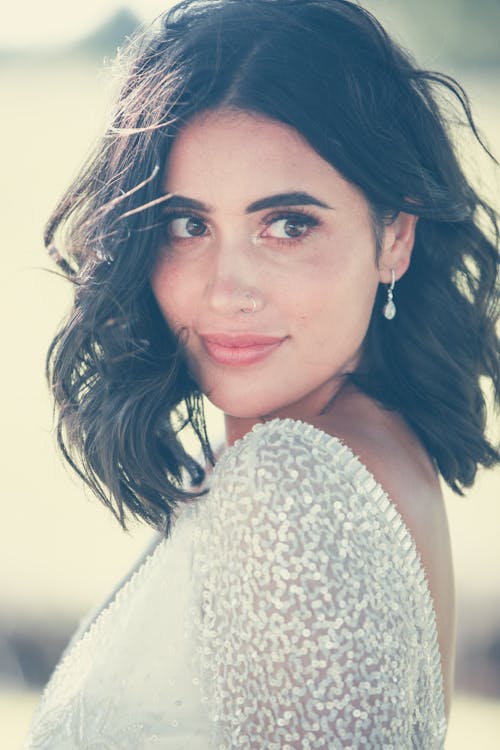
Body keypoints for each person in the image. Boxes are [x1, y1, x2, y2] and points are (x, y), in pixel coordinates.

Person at [26, 0, 499, 747]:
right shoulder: (369, 447)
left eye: (288, 224)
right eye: (189, 224)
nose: (225, 290)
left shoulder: (292, 484)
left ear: (395, 238)